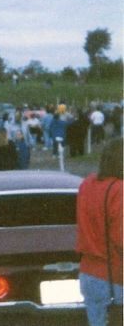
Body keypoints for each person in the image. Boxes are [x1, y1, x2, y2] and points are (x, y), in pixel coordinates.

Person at [76, 138, 123, 326]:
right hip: (116, 276)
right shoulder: (120, 190)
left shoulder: (87, 184)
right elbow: (121, 238)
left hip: (89, 273)